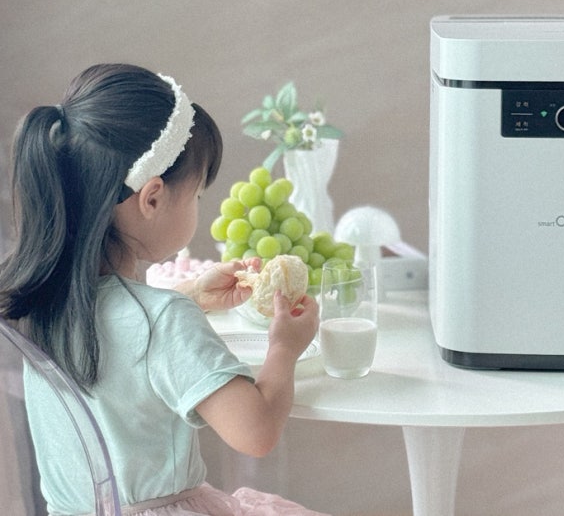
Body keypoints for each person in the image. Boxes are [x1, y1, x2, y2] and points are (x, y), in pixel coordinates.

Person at [0, 63, 328, 516]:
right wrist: (284, 347)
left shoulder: (43, 306)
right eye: (197, 195)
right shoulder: (165, 320)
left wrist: (192, 296)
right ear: (152, 198)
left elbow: (122, 344)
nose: (198, 205)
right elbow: (255, 432)